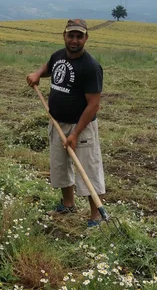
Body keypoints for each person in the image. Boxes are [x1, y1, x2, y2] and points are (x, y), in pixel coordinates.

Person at [26, 19, 105, 228]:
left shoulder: (91, 67)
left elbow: (93, 105)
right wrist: (37, 74)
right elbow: (49, 67)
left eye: (79, 36)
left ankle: (96, 215)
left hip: (81, 126)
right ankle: (68, 204)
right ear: (64, 36)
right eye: (71, 36)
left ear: (86, 38)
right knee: (60, 166)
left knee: (88, 169)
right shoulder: (58, 56)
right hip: (57, 122)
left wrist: (76, 133)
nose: (75, 40)